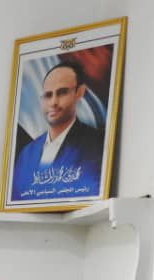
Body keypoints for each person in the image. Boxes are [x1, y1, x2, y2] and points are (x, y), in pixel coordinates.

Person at [11, 62, 105, 202]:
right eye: (48, 95)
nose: (53, 102)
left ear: (79, 93)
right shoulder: (27, 153)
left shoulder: (97, 144)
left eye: (62, 92)